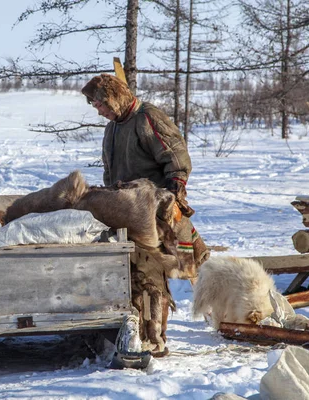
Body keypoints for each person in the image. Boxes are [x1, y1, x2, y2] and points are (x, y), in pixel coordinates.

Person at [81, 74, 210, 356]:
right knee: (131, 275)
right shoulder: (113, 128)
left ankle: (155, 339)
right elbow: (110, 171)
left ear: (114, 98)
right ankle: (136, 331)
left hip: (154, 211)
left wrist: (173, 194)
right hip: (125, 210)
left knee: (151, 275)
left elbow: (176, 157)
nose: (99, 111)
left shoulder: (147, 118)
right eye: (95, 107)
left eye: (101, 104)